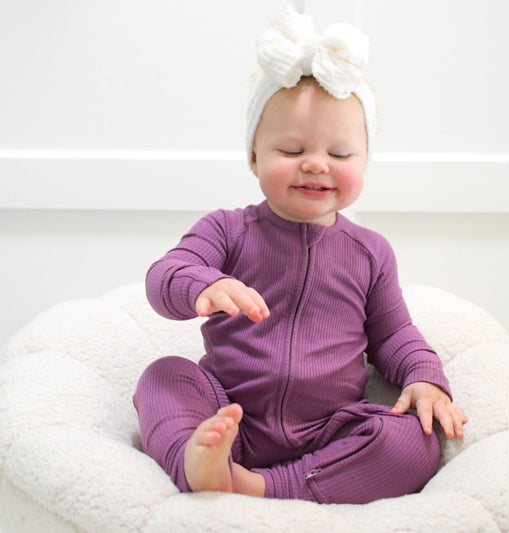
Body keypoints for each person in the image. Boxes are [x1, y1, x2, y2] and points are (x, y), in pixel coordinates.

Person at [134, 5, 467, 504]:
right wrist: (203, 283)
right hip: (230, 416)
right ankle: (197, 459)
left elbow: (395, 334)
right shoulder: (227, 230)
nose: (315, 164)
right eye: (291, 151)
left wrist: (425, 378)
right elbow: (166, 275)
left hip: (330, 431)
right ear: (254, 156)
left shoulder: (371, 253)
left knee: (415, 440)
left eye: (340, 154)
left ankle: (264, 486)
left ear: (364, 161)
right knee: (163, 376)